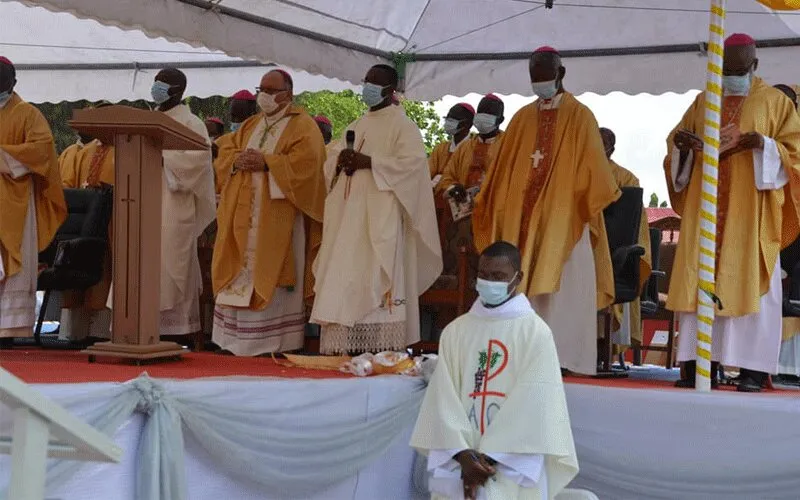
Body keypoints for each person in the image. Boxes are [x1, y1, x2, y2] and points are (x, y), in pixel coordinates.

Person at [473, 46, 621, 376]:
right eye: (534, 79)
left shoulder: (581, 116)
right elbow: (501, 170)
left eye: (545, 78)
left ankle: (562, 356)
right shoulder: (522, 118)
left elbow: (596, 172)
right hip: (520, 220)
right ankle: (517, 356)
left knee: (563, 290)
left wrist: (566, 200)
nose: (539, 84)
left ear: (561, 74)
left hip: (562, 219)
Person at [666, 34, 800, 392]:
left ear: (754, 65)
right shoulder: (703, 101)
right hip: (706, 209)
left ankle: (753, 370)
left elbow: (795, 153)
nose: (731, 76)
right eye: (725, 69)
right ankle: (698, 364)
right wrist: (684, 147)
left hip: (750, 213)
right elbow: (677, 146)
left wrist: (765, 146)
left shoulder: (774, 102)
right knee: (701, 280)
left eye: (739, 70)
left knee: (753, 285)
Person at [410, 241, 578, 500]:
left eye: (498, 277)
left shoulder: (536, 333)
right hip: (460, 463)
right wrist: (462, 455)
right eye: (484, 275)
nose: (489, 282)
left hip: (515, 463)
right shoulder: (457, 331)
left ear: (517, 278)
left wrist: (489, 459)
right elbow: (442, 397)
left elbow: (536, 401)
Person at [310, 64, 442, 355]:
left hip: (381, 219)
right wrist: (339, 159)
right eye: (366, 80)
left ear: (390, 90)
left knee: (374, 275)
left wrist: (370, 163)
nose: (367, 86)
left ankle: (377, 346)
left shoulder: (402, 125)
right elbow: (332, 158)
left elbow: (414, 165)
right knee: (346, 274)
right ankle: (345, 345)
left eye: (375, 82)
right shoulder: (357, 124)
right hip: (348, 217)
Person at [212, 69, 326, 356]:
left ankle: (272, 341)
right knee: (240, 266)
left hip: (278, 215)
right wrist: (237, 160)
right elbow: (224, 151)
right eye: (261, 89)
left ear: (288, 93)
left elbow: (309, 165)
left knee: (270, 268)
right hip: (243, 214)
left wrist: (267, 163)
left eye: (271, 90)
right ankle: (233, 340)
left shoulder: (303, 126)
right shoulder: (251, 124)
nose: (264, 95)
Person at [122, 67, 216, 339]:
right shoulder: (148, 120)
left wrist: (163, 158)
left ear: (179, 91)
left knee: (170, 261)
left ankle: (175, 330)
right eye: (156, 83)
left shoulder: (192, 123)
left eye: (163, 84)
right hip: (142, 198)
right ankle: (137, 325)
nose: (157, 88)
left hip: (173, 202)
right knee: (139, 259)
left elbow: (198, 162)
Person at [0, 56, 67, 349]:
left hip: (14, 201)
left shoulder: (27, 113)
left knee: (11, 262)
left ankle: (8, 328)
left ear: (13, 81)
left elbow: (41, 150)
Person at [59, 102, 117, 342]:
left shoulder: (126, 148)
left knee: (105, 270)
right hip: (83, 222)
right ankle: (74, 333)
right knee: (78, 268)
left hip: (113, 220)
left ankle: (100, 333)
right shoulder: (83, 151)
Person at [598, 127, 651, 356]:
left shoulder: (626, 179)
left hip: (613, 254)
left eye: (602, 144)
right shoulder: (576, 173)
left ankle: (603, 348)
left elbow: (634, 227)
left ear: (611, 149)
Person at [437, 94, 506, 197]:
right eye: (480, 114)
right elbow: (448, 176)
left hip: (491, 208)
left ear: (500, 120)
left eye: (487, 116)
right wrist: (453, 187)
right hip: (462, 208)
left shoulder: (508, 146)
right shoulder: (464, 147)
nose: (482, 119)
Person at [213, 90, 259, 195]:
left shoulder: (261, 137)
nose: (235, 121)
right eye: (232, 116)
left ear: (252, 115)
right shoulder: (222, 141)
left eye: (239, 116)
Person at [429, 103, 475, 180]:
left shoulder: (474, 149)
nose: (449, 122)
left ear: (467, 124)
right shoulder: (440, 148)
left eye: (454, 119)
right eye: (448, 118)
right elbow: (427, 173)